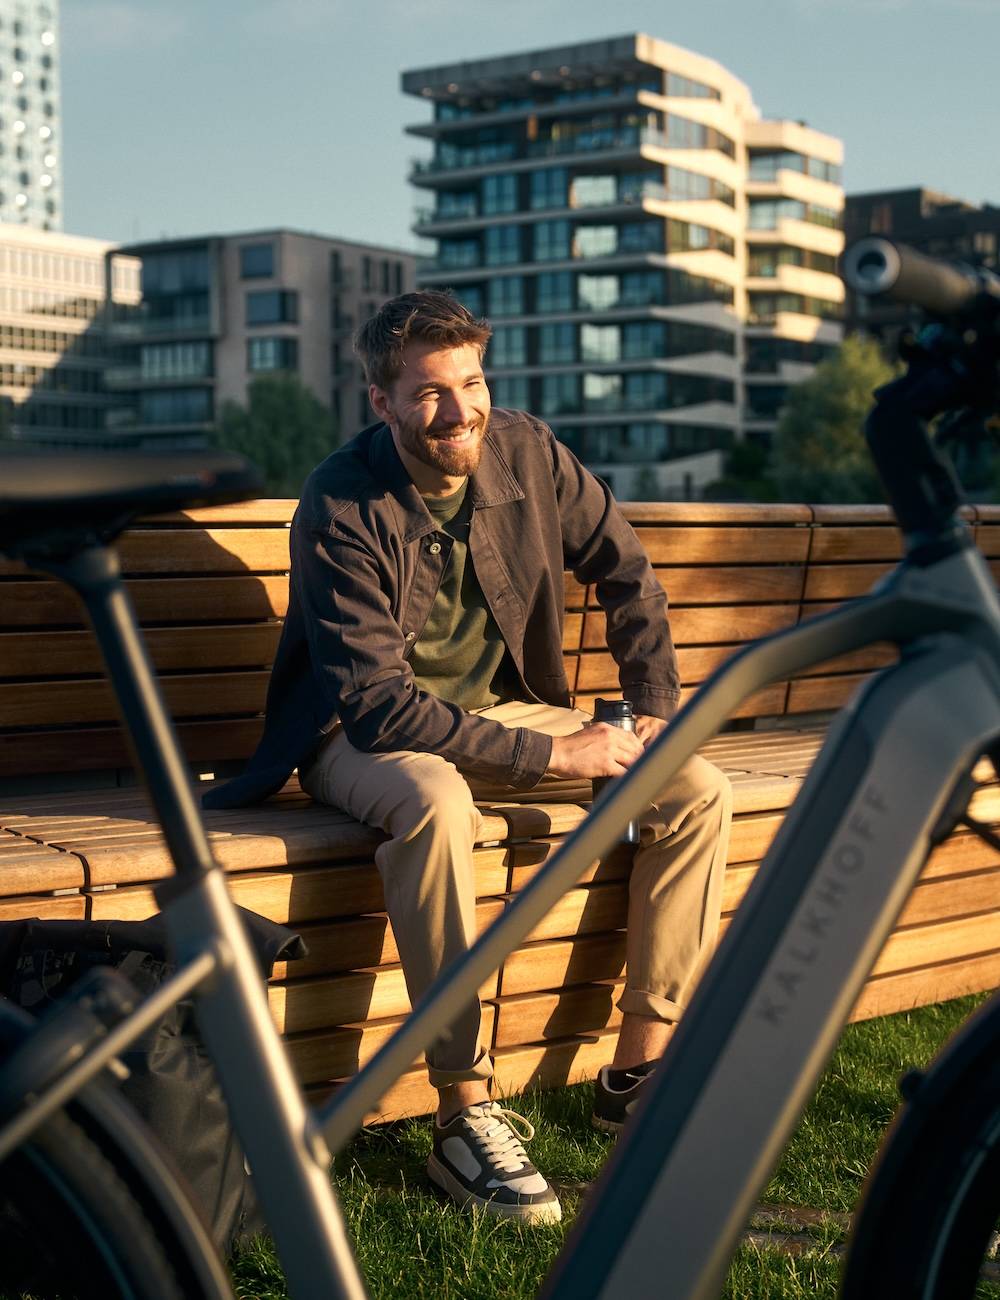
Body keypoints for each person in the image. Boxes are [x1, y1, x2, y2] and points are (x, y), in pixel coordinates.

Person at [205, 290, 732, 1225]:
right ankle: (464, 1108)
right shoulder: (339, 501)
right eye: (430, 393)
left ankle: (640, 1068)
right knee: (439, 807)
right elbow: (375, 704)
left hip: (498, 710)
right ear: (381, 400)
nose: (460, 411)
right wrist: (556, 756)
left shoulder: (528, 450)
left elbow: (628, 571)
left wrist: (650, 710)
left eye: (473, 381)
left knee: (693, 787)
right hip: (355, 737)